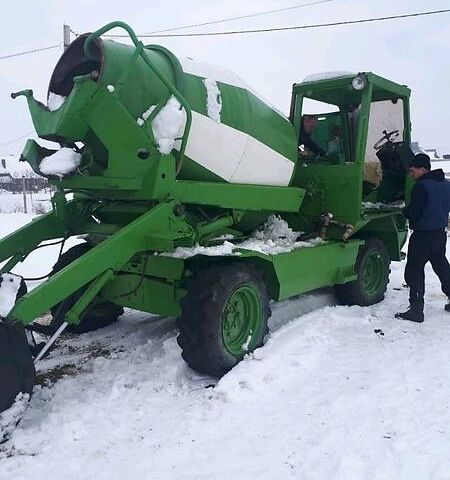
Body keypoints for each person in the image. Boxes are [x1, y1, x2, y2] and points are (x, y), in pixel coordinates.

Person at [395, 153, 450, 323]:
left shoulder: (421, 187)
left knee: (416, 269)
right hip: (440, 234)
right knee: (441, 266)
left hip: (422, 236)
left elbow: (413, 212)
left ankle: (416, 309)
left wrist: (402, 210)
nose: (412, 174)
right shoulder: (446, 185)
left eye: (413, 171)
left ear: (423, 169)